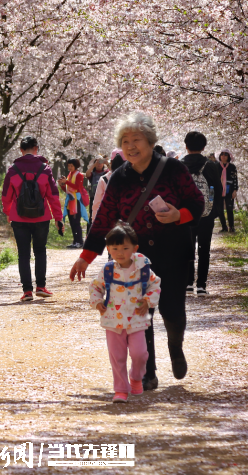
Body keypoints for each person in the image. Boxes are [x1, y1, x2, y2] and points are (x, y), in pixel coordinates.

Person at [69, 112, 203, 392]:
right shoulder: (119, 178)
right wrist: (86, 256)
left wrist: (180, 214)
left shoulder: (175, 169)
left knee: (173, 311)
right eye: (125, 141)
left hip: (175, 251)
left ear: (150, 141)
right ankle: (147, 372)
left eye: (136, 139)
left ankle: (176, 347)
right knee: (143, 314)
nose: (130, 146)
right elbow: (104, 219)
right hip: (138, 259)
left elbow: (198, 203)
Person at [89, 222, 161, 403]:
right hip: (113, 320)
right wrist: (97, 302)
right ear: (108, 249)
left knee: (140, 354)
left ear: (135, 248)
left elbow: (155, 284)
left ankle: (136, 377)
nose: (120, 252)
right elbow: (95, 288)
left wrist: (147, 300)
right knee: (117, 356)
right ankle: (120, 389)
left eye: (125, 248)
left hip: (137, 319)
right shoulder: (107, 270)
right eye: (115, 248)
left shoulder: (143, 268)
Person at [2, 136, 64, 301]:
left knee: (23, 254)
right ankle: (41, 287)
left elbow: (6, 195)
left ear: (21, 150)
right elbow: (53, 195)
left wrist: (8, 212)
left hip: (19, 218)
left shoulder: (13, 169)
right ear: (36, 149)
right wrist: (58, 218)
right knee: (40, 251)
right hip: (41, 217)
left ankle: (27, 291)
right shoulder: (45, 169)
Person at [181, 131, 221, 296]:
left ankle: (188, 283)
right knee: (204, 249)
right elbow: (218, 190)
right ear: (204, 147)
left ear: (186, 146)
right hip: (206, 213)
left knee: (186, 248)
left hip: (184, 214)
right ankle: (201, 285)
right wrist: (214, 212)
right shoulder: (211, 165)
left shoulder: (179, 165)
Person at [60, 158, 89, 249]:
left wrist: (66, 182)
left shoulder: (79, 175)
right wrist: (62, 184)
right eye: (68, 166)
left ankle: (80, 241)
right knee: (72, 222)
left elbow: (77, 187)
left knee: (76, 222)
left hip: (76, 201)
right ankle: (75, 241)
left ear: (76, 166)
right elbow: (67, 189)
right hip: (70, 200)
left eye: (71, 166)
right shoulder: (69, 175)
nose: (69, 167)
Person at [91, 150, 124, 222]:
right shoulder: (134, 177)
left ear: (111, 162)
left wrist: (94, 221)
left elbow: (97, 204)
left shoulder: (104, 179)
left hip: (108, 219)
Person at [214, 150, 239, 233]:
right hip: (218, 190)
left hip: (230, 190)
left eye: (226, 155)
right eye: (222, 155)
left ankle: (231, 227)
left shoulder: (232, 167)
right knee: (220, 209)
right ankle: (224, 227)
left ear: (229, 157)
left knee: (229, 209)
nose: (223, 156)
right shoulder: (216, 166)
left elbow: (235, 179)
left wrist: (235, 190)